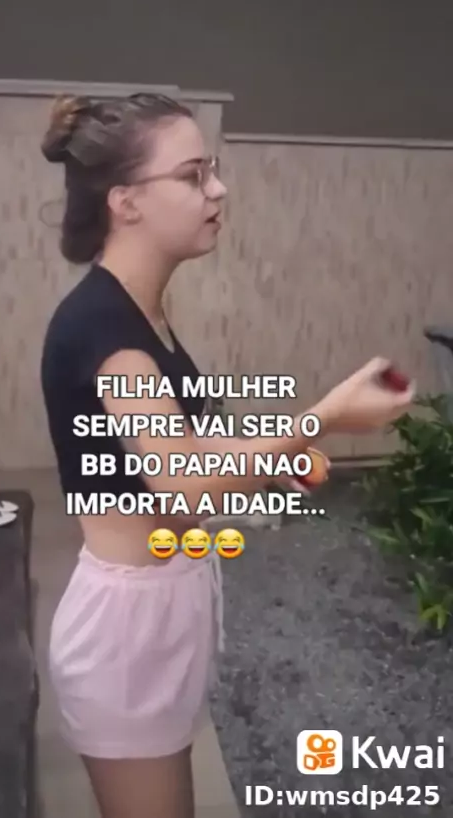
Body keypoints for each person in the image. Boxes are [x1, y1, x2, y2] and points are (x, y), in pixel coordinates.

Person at [39, 91, 415, 818]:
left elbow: (179, 447)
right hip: (127, 634)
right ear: (126, 202)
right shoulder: (106, 332)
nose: (218, 190)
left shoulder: (138, 310)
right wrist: (326, 418)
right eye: (192, 176)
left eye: (212, 171)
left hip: (162, 605)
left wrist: (272, 458)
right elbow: (184, 485)